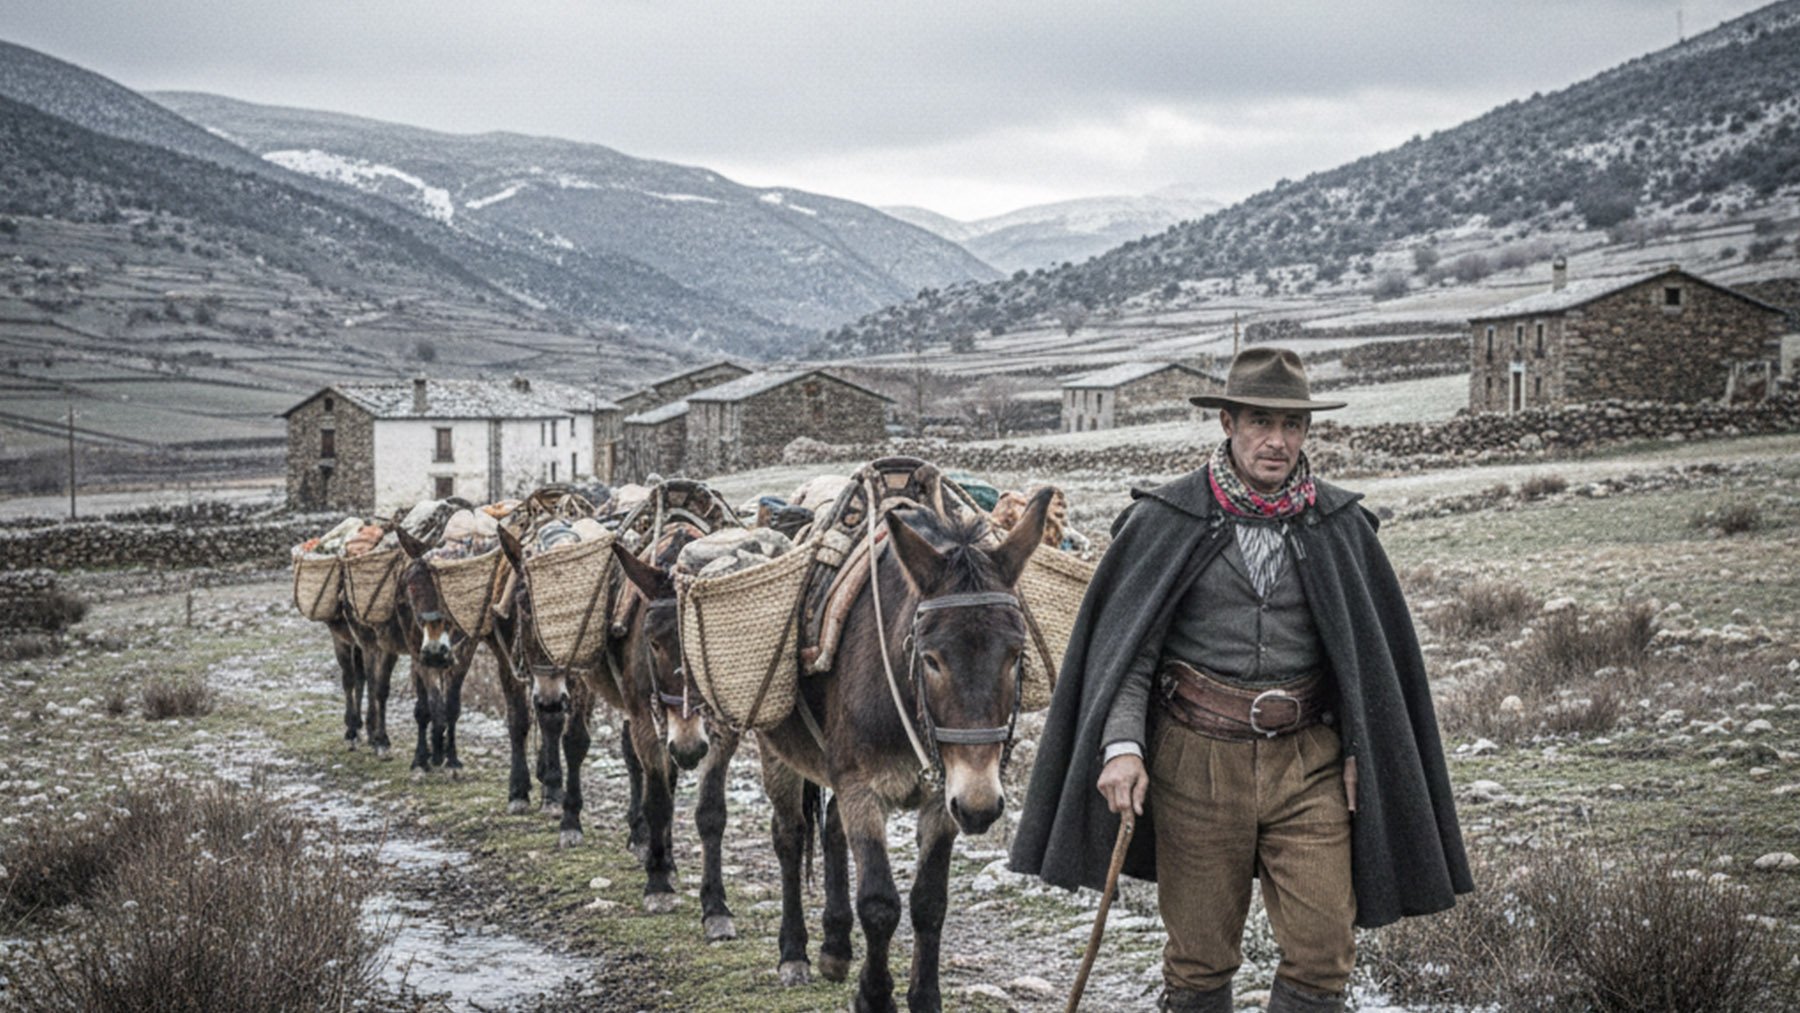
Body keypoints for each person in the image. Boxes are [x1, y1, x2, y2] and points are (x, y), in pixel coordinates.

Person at [1010, 347, 1472, 1013]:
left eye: (1292, 425)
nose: (1277, 441)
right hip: (1194, 763)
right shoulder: (1164, 519)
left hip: (1308, 763)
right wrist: (1121, 746)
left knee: (1322, 950)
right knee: (1198, 959)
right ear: (1227, 422)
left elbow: (1362, 660)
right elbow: (1132, 653)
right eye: (1260, 421)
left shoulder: (1341, 526)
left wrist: (1357, 750)